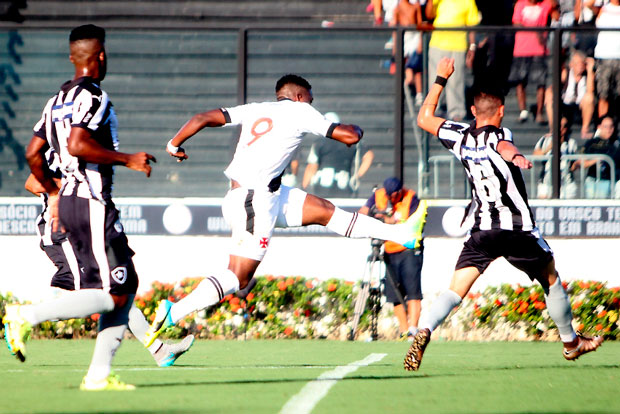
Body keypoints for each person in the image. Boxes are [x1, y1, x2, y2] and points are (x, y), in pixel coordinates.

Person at [143, 74, 427, 347]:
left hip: (261, 194)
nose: (312, 105)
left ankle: (401, 234)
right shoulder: (301, 111)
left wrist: (173, 144)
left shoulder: (256, 109)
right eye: (311, 100)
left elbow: (202, 118)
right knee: (239, 277)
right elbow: (349, 137)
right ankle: (174, 312)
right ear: (300, 97)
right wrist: (360, 129)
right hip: (255, 201)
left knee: (325, 210)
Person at [404, 57, 603, 372]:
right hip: (516, 230)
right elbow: (504, 147)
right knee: (551, 279)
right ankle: (571, 342)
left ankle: (425, 328)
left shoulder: (460, 136)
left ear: (472, 112)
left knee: (455, 290)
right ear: (500, 112)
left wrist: (441, 78)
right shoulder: (500, 133)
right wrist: (519, 156)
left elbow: (425, 117)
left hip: (482, 231)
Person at [3, 24, 156, 391]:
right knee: (117, 290)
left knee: (121, 287)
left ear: (73, 57)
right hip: (90, 201)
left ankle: (99, 376)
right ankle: (26, 315)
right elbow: (77, 144)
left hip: (70, 200)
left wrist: (54, 192)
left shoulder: (55, 101)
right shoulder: (95, 96)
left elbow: (31, 152)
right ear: (99, 57)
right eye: (104, 53)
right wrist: (127, 159)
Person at [23, 152, 194, 368]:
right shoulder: (63, 145)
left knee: (119, 290)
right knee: (100, 294)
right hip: (64, 231)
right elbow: (32, 182)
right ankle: (24, 317)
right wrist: (67, 191)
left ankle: (160, 351)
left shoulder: (79, 143)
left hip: (92, 226)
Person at [359, 177, 428, 340]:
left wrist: (386, 221)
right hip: (389, 250)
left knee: (413, 292)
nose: (390, 199)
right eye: (388, 195)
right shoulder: (378, 195)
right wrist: (367, 219)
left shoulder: (411, 198)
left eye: (393, 195)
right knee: (394, 294)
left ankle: (413, 329)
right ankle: (404, 331)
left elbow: (409, 224)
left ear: (399, 192)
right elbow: (364, 211)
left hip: (409, 249)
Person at [425, 0, 480, 121]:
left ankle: (456, 113)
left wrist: (472, 47)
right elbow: (429, 15)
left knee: (456, 81)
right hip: (437, 44)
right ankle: (433, 110)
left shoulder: (468, 2)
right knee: (435, 79)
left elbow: (472, 25)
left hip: (458, 45)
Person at [302, 112, 375, 198]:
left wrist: (304, 187)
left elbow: (312, 166)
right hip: (344, 186)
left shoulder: (319, 143)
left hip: (322, 187)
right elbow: (369, 156)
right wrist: (357, 176)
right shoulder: (350, 141)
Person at [509, 0, 554, 124]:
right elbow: (516, 23)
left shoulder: (545, 4)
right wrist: (534, 29)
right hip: (521, 49)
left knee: (541, 82)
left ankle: (539, 113)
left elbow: (555, 8)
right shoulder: (520, 4)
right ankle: (523, 111)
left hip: (539, 50)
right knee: (520, 81)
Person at [544, 51, 596, 139]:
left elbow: (590, 90)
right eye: (577, 63)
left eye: (582, 63)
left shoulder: (587, 75)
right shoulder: (566, 73)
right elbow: (554, 87)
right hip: (565, 106)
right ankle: (553, 130)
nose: (580, 66)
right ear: (571, 64)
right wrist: (550, 92)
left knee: (589, 97)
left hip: (580, 107)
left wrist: (590, 70)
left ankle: (585, 129)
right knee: (549, 96)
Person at [571, 116, 620, 198]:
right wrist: (596, 160)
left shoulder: (617, 144)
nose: (609, 129)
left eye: (611, 126)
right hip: (592, 179)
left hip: (609, 180)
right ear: (599, 127)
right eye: (606, 127)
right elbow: (580, 163)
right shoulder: (591, 143)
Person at [533, 116, 579, 198]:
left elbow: (575, 163)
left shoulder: (571, 143)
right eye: (559, 125)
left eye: (564, 126)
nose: (561, 129)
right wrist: (549, 148)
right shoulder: (545, 140)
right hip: (546, 182)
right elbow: (535, 155)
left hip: (566, 184)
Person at [390, 0, 424, 106]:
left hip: (414, 37)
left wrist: (420, 43)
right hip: (404, 37)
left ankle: (418, 93)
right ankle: (404, 90)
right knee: (407, 67)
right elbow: (395, 29)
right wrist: (395, 47)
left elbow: (420, 25)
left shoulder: (415, 7)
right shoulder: (397, 9)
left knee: (416, 68)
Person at [593, 0, 620, 119]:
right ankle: (601, 127)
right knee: (603, 94)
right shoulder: (601, 9)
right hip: (605, 56)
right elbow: (588, 6)